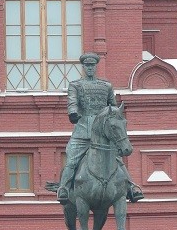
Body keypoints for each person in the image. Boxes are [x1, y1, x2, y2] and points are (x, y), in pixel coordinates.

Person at [56, 52, 143, 204]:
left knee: (117, 159)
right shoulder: (75, 85)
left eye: (92, 65)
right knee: (72, 160)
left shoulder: (106, 86)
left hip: (103, 132)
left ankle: (130, 186)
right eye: (87, 65)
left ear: (96, 66)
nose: (90, 68)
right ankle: (63, 188)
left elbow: (113, 107)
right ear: (83, 67)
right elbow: (72, 102)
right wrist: (73, 113)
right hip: (82, 130)